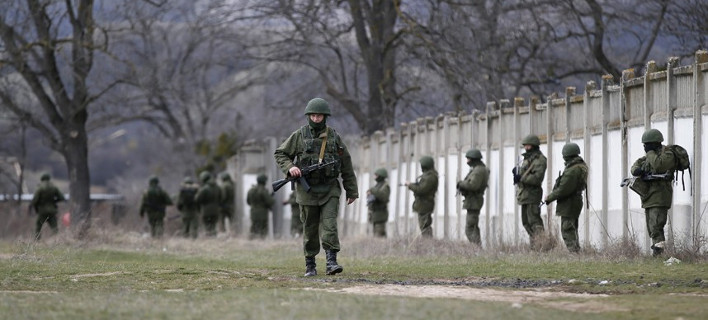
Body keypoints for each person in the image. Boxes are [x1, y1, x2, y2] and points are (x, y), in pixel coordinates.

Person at [274, 97, 358, 277]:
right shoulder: (299, 136)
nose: (316, 119)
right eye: (313, 115)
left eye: (319, 116)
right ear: (308, 116)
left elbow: (346, 164)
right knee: (310, 228)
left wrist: (352, 191)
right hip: (307, 191)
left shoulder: (334, 137)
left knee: (330, 226)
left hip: (329, 189)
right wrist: (291, 167)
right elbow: (280, 153)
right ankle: (310, 265)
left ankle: (331, 262)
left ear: (325, 116)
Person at [630, 129, 675, 256]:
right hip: (648, 196)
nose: (645, 147)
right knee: (651, 227)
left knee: (656, 226)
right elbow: (635, 166)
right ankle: (657, 249)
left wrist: (650, 152)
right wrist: (638, 170)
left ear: (655, 143)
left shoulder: (667, 155)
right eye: (645, 145)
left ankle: (659, 253)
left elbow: (658, 165)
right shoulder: (648, 157)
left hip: (660, 195)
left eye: (648, 145)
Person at [543, 143, 588, 253]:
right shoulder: (581, 166)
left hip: (569, 202)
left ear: (566, 155)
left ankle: (574, 252)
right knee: (572, 227)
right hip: (576, 200)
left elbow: (563, 189)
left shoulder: (572, 170)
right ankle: (576, 252)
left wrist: (549, 198)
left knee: (567, 228)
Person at [512, 134, 547, 248]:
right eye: (525, 146)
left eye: (528, 145)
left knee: (534, 221)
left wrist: (521, 178)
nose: (526, 148)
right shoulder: (528, 159)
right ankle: (535, 245)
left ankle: (542, 245)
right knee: (526, 222)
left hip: (533, 195)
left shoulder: (540, 160)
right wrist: (516, 174)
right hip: (524, 195)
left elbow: (537, 178)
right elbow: (524, 173)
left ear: (534, 145)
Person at [456, 149, 489, 245]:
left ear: (474, 159)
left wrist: (461, 184)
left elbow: (473, 185)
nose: (467, 161)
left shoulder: (478, 171)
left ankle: (477, 248)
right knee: (473, 227)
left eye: (469, 159)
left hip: (474, 201)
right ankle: (477, 250)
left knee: (469, 228)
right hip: (473, 201)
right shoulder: (478, 169)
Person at [406, 156, 439, 238]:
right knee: (423, 225)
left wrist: (410, 185)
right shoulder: (428, 175)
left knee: (425, 226)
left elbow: (421, 190)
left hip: (425, 204)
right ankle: (427, 244)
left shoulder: (430, 177)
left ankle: (428, 244)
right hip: (423, 204)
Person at [30, 173, 65, 240]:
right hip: (52, 210)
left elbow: (35, 201)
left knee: (38, 226)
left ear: (42, 179)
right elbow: (62, 198)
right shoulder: (54, 187)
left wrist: (34, 207)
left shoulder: (40, 188)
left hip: (42, 211)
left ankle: (37, 240)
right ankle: (56, 240)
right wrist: (54, 201)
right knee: (54, 227)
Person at [247, 174, 275, 239]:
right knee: (263, 229)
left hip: (253, 212)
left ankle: (251, 241)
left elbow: (248, 202)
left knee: (253, 227)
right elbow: (270, 202)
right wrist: (271, 198)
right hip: (262, 213)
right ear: (264, 181)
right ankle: (261, 242)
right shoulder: (263, 190)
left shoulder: (251, 190)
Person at [194, 171, 222, 237]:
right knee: (213, 226)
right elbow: (221, 197)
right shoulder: (217, 187)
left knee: (207, 227)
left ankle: (209, 240)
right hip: (216, 210)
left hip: (206, 211)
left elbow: (197, 199)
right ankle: (214, 238)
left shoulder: (204, 189)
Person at [367, 168, 390, 238]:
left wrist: (373, 190)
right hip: (375, 214)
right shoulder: (378, 185)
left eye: (376, 175)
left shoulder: (385, 186)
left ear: (381, 176)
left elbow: (383, 197)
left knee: (379, 237)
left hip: (381, 214)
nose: (375, 176)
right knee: (379, 236)